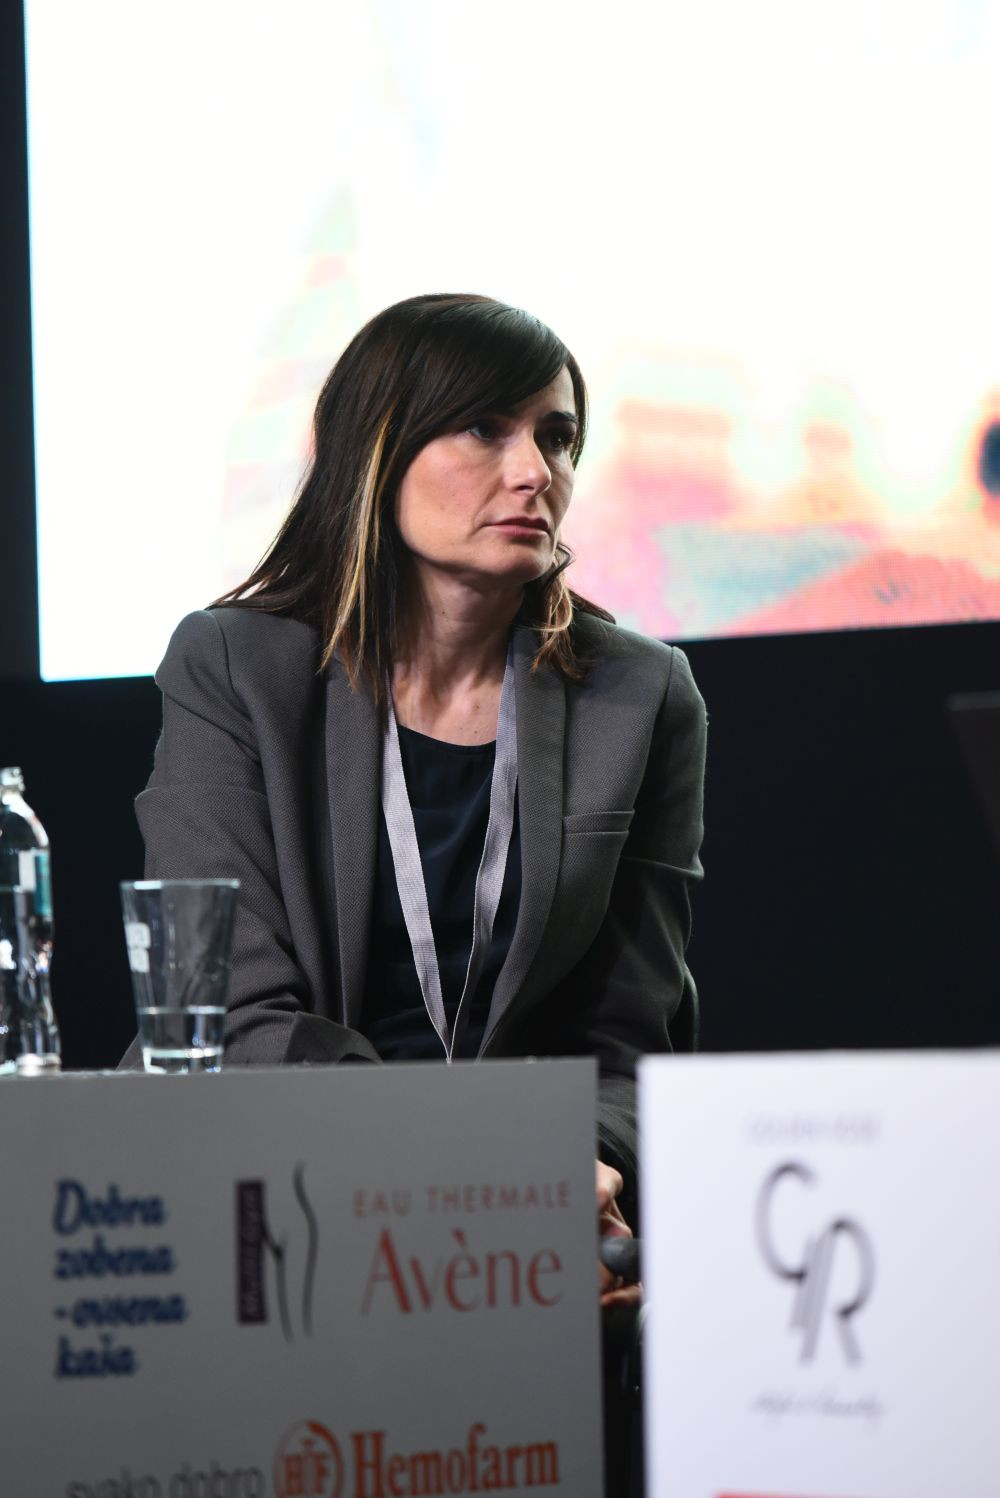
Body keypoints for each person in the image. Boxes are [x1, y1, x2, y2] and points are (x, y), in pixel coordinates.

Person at [130, 293, 707, 1302]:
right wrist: (469, 1170)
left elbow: (631, 1044)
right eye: (483, 427)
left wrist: (581, 1169)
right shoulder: (233, 667)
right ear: (377, 451)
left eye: (557, 437)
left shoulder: (640, 695)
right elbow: (225, 1015)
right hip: (276, 1197)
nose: (535, 471)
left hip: (532, 1218)